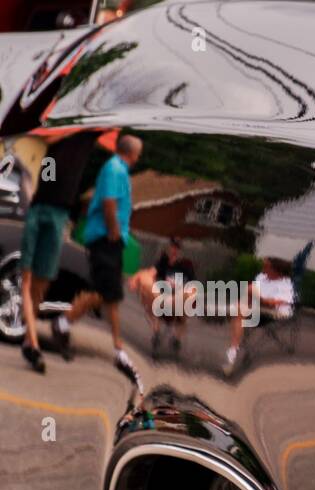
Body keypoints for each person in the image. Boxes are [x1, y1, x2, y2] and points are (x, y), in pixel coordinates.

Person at [15, 128, 105, 373]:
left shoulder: (90, 132)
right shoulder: (59, 129)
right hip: (38, 207)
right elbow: (44, 137)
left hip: (59, 213)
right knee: (27, 276)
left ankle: (28, 339)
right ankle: (32, 343)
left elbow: (112, 130)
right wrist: (67, 130)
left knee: (42, 283)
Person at [62, 133, 142, 375]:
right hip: (106, 238)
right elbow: (109, 203)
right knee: (105, 292)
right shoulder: (115, 169)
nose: (139, 157)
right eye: (139, 152)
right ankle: (63, 323)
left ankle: (117, 348)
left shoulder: (117, 169)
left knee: (109, 294)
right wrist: (115, 233)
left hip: (109, 238)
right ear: (133, 153)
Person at [225, 256, 293, 374]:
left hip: (273, 313)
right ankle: (232, 353)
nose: (263, 268)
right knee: (240, 309)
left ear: (277, 271)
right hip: (256, 308)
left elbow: (273, 304)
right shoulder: (261, 277)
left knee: (239, 310)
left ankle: (233, 352)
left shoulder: (286, 285)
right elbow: (250, 293)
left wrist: (256, 295)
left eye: (266, 266)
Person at [129, 236, 196, 355]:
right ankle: (156, 334)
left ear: (181, 251)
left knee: (185, 309)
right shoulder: (163, 261)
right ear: (169, 248)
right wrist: (139, 279)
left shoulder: (187, 265)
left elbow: (193, 285)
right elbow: (151, 272)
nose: (174, 250)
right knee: (155, 304)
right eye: (173, 247)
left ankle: (177, 338)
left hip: (179, 300)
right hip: (164, 298)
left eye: (177, 248)